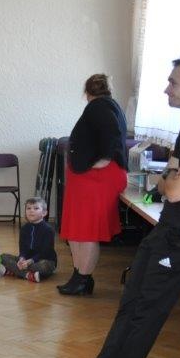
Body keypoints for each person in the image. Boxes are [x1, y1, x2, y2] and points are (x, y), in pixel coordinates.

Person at [50, 54, 180, 358]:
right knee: (132, 300)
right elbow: (166, 180)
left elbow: (174, 188)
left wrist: (172, 179)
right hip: (171, 226)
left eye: (173, 82)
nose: (166, 89)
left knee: (145, 310)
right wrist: (173, 178)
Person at [58, 74, 128, 296]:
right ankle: (79, 276)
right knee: (77, 230)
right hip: (89, 179)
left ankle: (83, 279)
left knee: (86, 231)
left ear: (86, 92)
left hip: (96, 179)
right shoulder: (105, 105)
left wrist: (103, 161)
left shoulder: (100, 107)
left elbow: (113, 136)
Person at [1, 197, 58, 282]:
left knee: (44, 266)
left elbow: (45, 252)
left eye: (36, 208)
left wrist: (30, 261)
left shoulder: (48, 230)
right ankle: (28, 275)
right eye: (28, 208)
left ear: (44, 213)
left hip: (43, 260)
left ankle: (16, 271)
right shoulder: (24, 229)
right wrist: (22, 258)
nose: (31, 211)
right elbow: (23, 249)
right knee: (3, 257)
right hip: (27, 260)